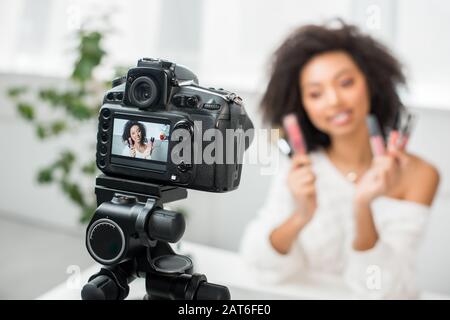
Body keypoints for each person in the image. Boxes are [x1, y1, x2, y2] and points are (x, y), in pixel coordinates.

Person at [239, 21, 440, 299]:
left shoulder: (420, 174)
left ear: (371, 84)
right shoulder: (300, 167)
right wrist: (301, 215)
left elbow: (387, 290)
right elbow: (260, 265)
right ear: (303, 106)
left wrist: (363, 206)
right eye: (315, 93)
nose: (333, 100)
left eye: (345, 83)